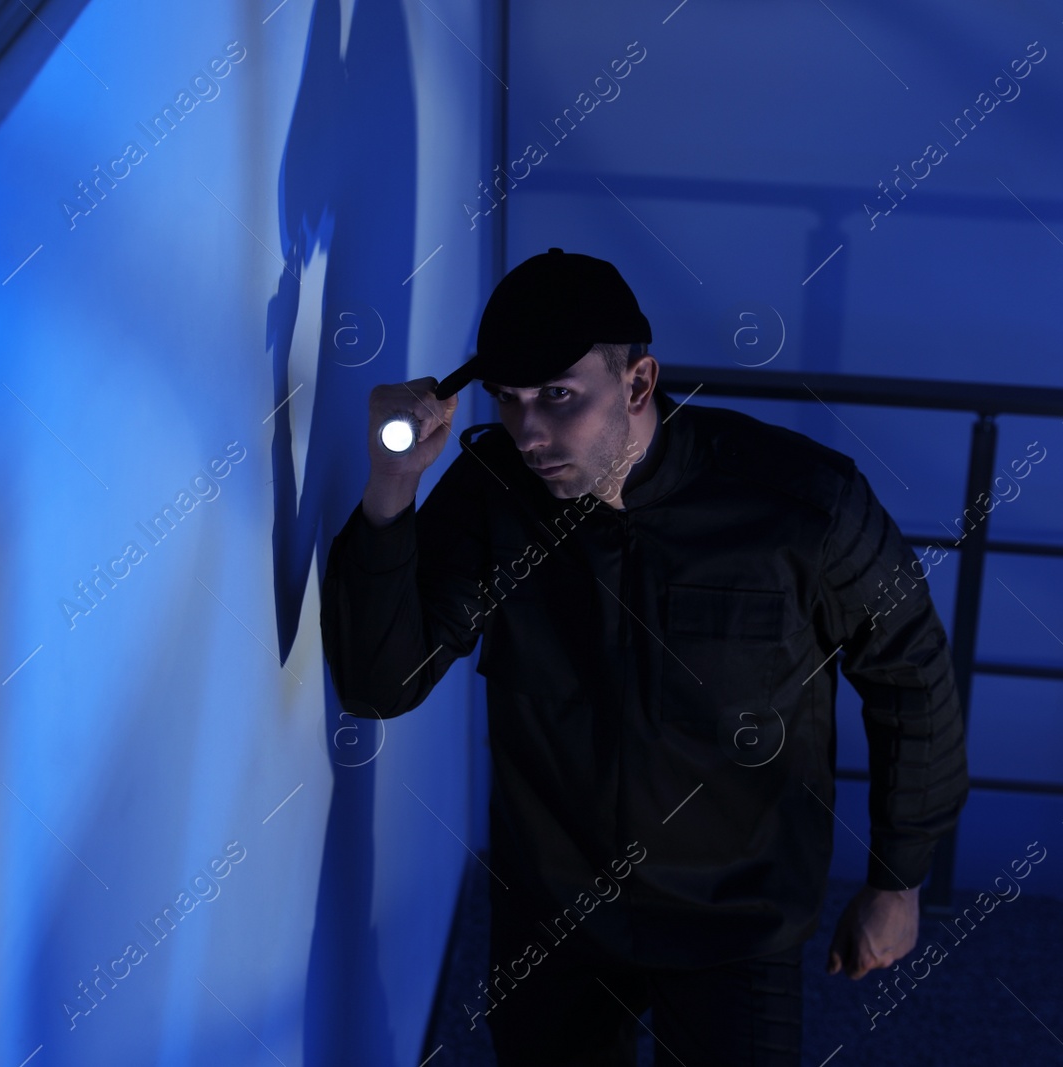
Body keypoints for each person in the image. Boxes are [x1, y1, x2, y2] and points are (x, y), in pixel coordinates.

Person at [320, 248, 969, 1066]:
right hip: (555, 915)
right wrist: (391, 485)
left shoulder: (801, 503)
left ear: (637, 383)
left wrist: (899, 877)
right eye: (509, 400)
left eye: (559, 396)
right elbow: (382, 682)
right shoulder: (493, 493)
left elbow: (911, 679)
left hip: (737, 918)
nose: (529, 432)